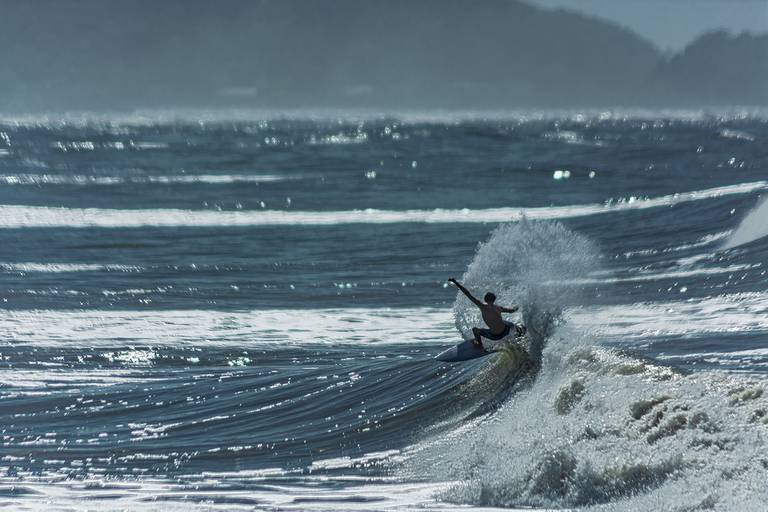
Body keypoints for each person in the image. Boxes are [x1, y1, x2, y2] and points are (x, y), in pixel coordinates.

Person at [448, 277, 525, 348]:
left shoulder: (482, 306)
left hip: (494, 336)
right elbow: (512, 311)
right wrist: (519, 305)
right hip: (505, 332)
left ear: (485, 299)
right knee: (508, 323)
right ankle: (521, 332)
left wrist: (455, 282)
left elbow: (467, 294)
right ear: (494, 299)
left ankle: (480, 345)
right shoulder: (499, 308)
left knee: (475, 330)